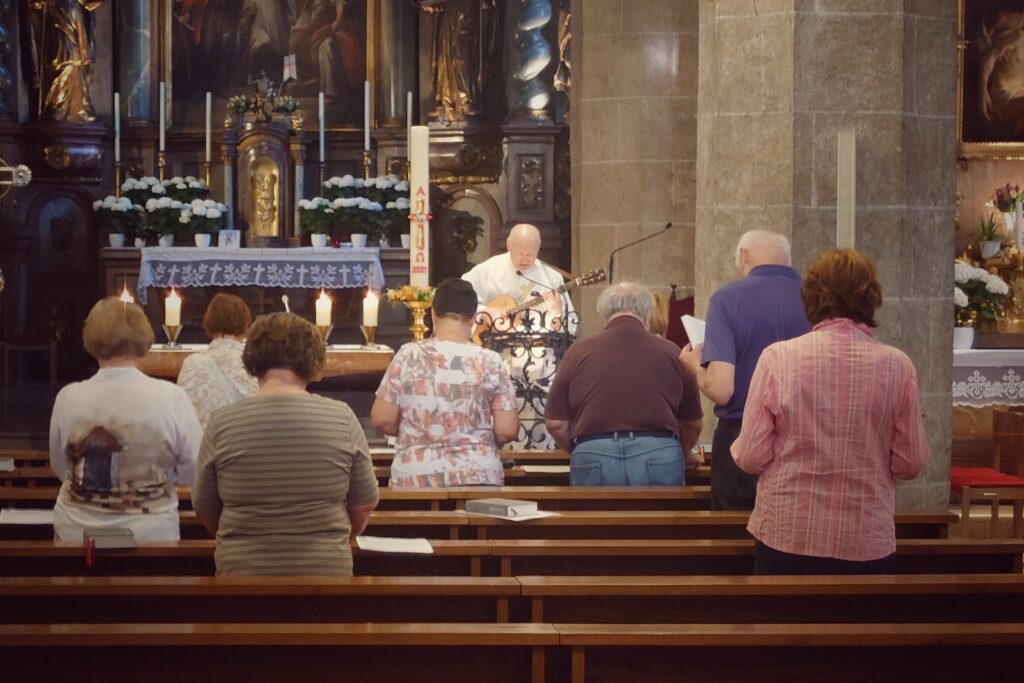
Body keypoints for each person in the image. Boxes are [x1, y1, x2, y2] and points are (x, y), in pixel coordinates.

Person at [732, 249, 929, 575]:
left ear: (810, 297)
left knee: (784, 626)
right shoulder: (898, 365)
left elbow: (752, 456)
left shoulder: (778, 359)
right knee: (862, 627)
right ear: (871, 298)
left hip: (788, 532)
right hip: (865, 538)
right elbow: (910, 463)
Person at [192, 312, 378, 575]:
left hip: (243, 576)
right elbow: (364, 503)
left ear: (251, 357)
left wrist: (245, 537)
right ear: (313, 359)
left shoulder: (223, 422)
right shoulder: (342, 418)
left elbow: (204, 507)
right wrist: (329, 538)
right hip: (325, 574)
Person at [49, 297, 201, 542]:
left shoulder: (68, 397)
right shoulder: (172, 397)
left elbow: (61, 466)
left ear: (91, 340)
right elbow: (193, 471)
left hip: (78, 530)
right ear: (143, 339)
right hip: (150, 531)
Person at [679, 230, 810, 510]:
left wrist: (694, 366)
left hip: (743, 435)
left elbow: (721, 389)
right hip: (805, 435)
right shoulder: (817, 298)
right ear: (786, 259)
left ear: (744, 256)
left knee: (734, 539)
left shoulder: (727, 299)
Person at [545, 283, 703, 486]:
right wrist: (681, 451)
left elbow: (555, 423)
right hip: (659, 453)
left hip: (594, 452)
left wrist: (584, 449)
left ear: (604, 312)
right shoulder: (673, 352)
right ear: (647, 312)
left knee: (595, 518)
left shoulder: (578, 352)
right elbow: (692, 423)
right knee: (660, 517)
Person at [371, 278, 519, 487]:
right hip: (477, 475)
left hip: (416, 476)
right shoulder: (491, 361)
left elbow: (382, 419)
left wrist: (418, 431)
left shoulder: (408, 355)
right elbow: (507, 430)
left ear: (433, 313)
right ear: (473, 318)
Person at [462, 223, 575, 329]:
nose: (525, 260)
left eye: (530, 254)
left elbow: (572, 324)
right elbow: (458, 301)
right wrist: (485, 312)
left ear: (538, 248)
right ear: (509, 245)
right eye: (520, 254)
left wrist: (557, 313)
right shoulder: (487, 271)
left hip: (540, 346)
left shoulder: (552, 278)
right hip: (494, 344)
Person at [177, 293, 258, 430]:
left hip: (204, 447)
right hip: (246, 443)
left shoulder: (192, 363)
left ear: (208, 321)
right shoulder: (256, 362)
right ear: (246, 324)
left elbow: (182, 414)